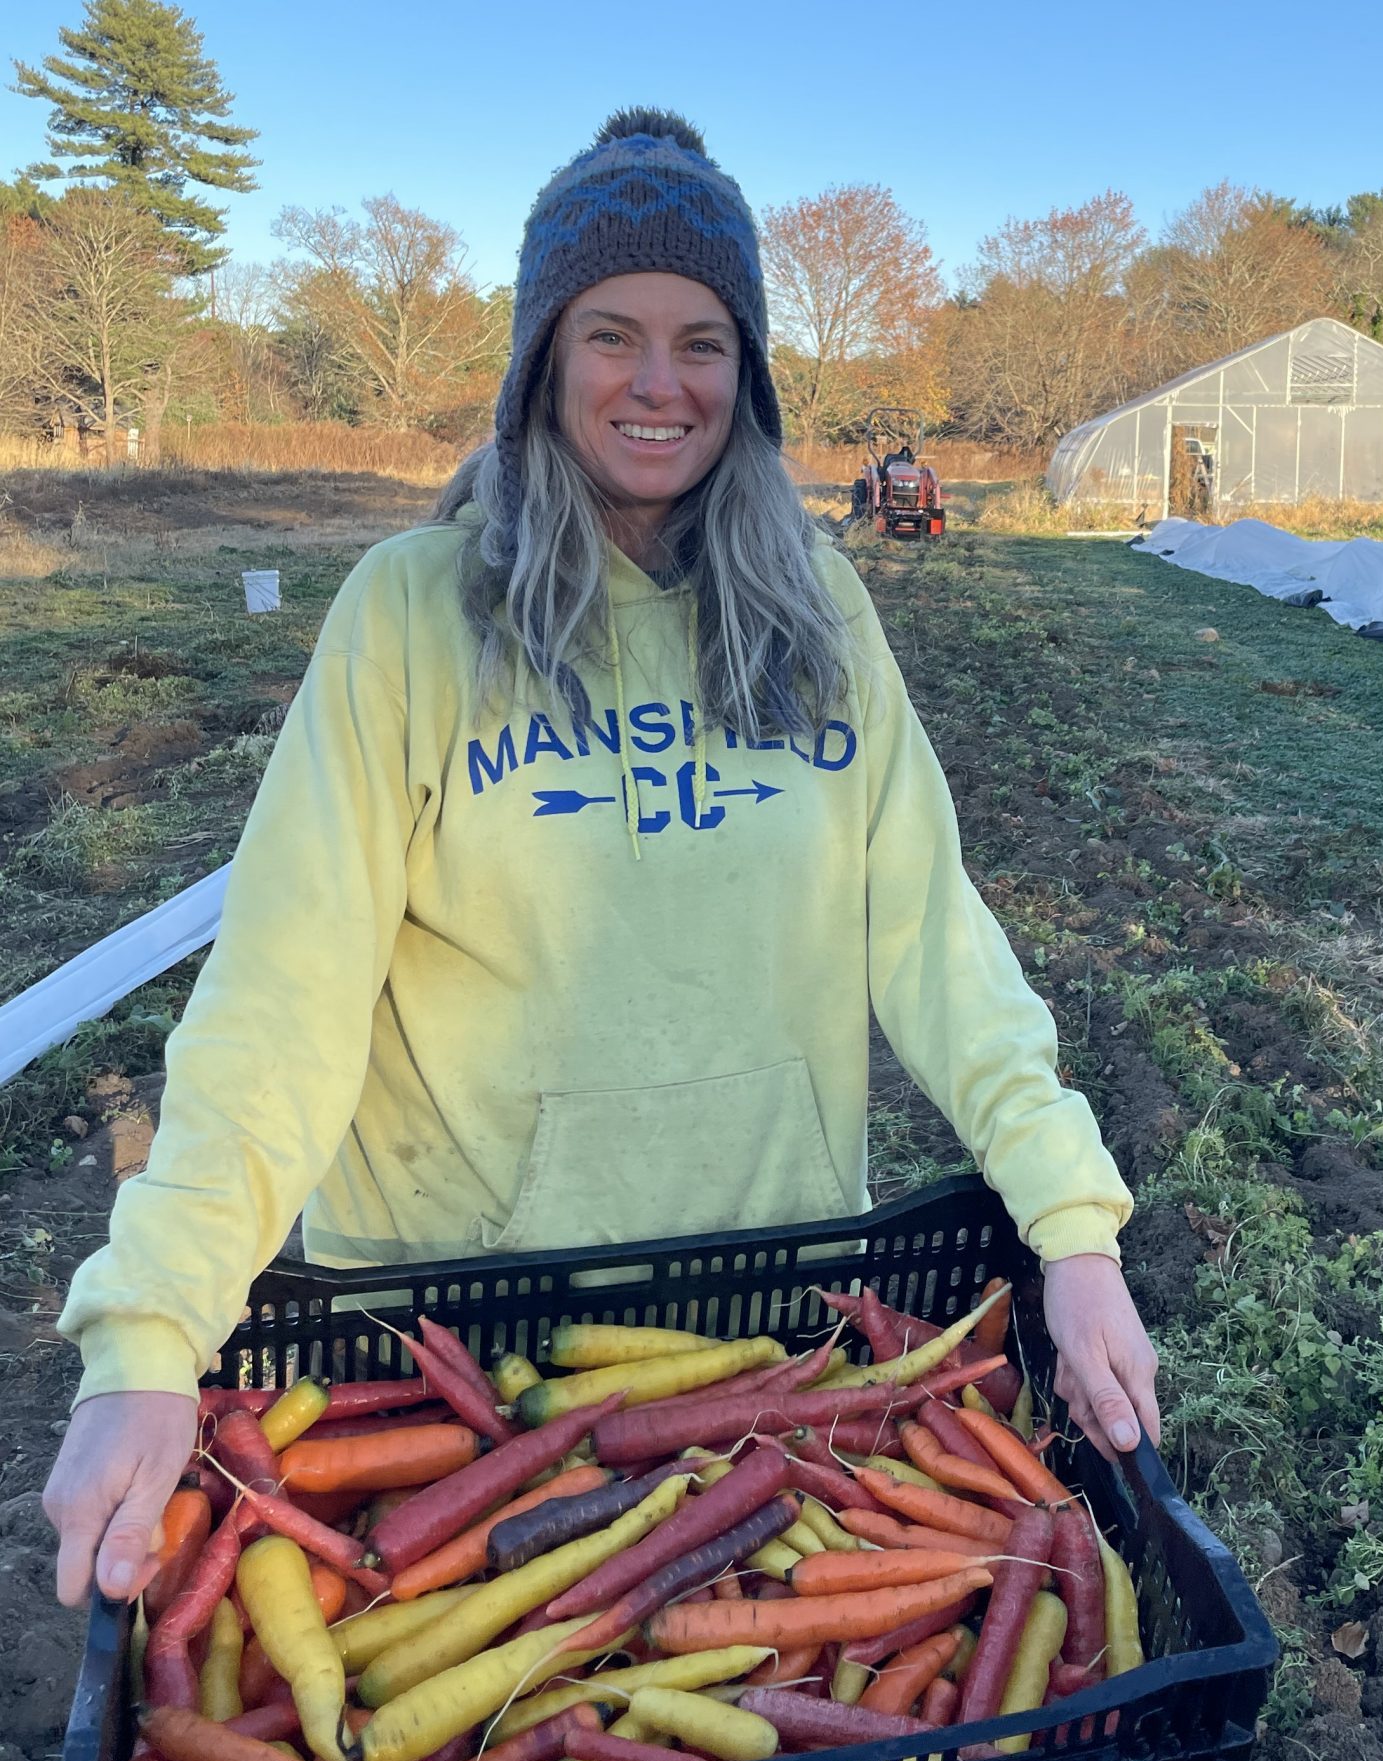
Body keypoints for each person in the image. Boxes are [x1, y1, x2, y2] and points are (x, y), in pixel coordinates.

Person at [41, 108, 1160, 1609]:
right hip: (462, 1374)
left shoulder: (820, 614)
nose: (658, 383)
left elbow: (937, 944)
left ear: (746, 375)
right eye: (613, 334)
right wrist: (151, 1334)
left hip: (756, 1346)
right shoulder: (414, 617)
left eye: (703, 341)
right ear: (542, 362)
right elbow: (281, 1005)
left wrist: (1070, 1224)